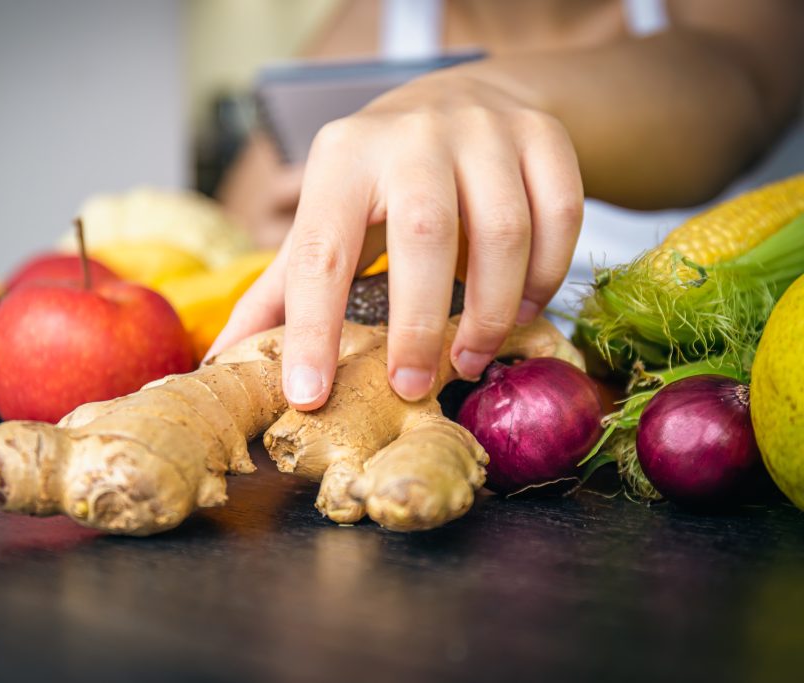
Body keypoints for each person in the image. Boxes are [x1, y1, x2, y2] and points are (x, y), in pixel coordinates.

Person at [208, 0, 804, 413]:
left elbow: (735, 87)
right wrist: (274, 231)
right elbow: (237, 220)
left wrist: (479, 93)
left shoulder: (720, 19)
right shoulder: (368, 18)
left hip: (641, 411)